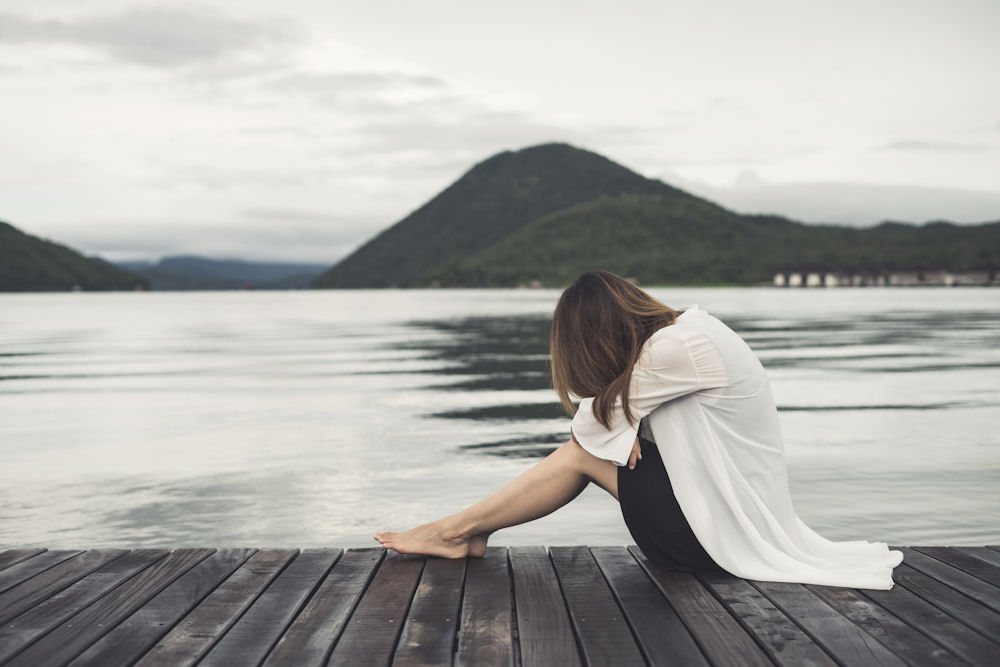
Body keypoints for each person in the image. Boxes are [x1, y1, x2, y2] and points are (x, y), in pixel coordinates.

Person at [375, 270, 903, 589]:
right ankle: (464, 531)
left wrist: (618, 429)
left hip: (703, 544)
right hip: (718, 525)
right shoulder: (692, 331)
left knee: (579, 455)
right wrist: (625, 429)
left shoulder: (677, 348)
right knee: (587, 449)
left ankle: (455, 532)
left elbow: (591, 420)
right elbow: (616, 415)